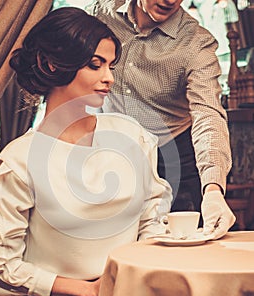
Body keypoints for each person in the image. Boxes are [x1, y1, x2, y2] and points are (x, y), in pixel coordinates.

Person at [0, 7, 172, 296]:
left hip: (136, 289)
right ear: (52, 65)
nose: (109, 77)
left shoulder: (130, 136)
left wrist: (140, 272)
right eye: (95, 65)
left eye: (110, 65)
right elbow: (5, 268)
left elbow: (151, 217)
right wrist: (88, 289)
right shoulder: (18, 162)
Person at [92, 0, 236, 239]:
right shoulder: (101, 14)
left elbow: (208, 113)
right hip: (108, 153)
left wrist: (212, 189)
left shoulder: (196, 43)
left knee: (177, 250)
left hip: (172, 158)